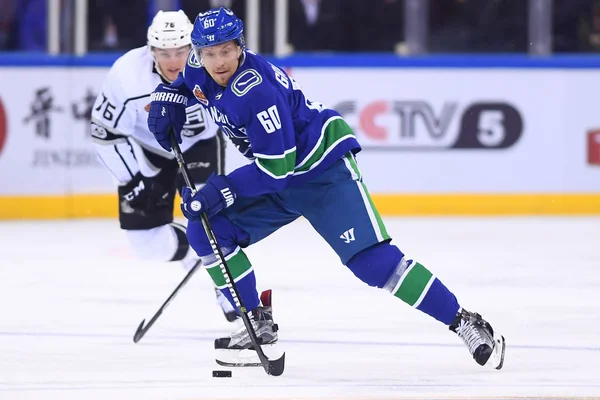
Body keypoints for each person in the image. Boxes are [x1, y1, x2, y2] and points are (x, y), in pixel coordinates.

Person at [146, 7, 506, 370]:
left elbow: (274, 172)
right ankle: (256, 321)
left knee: (374, 265)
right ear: (198, 52)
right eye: (209, 53)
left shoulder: (257, 93)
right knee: (207, 230)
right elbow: (187, 87)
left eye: (226, 50)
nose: (218, 61)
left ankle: (465, 322)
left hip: (322, 172)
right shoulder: (195, 64)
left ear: (240, 47)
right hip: (278, 172)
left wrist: (220, 189)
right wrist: (170, 99)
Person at [90, 10, 236, 322]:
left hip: (200, 146)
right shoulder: (126, 74)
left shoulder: (214, 64)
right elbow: (104, 132)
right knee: (145, 245)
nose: (173, 61)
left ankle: (228, 290)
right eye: (164, 52)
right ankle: (196, 250)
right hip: (148, 152)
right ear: (150, 50)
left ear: (193, 49)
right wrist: (131, 181)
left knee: (210, 220)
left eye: (181, 51)